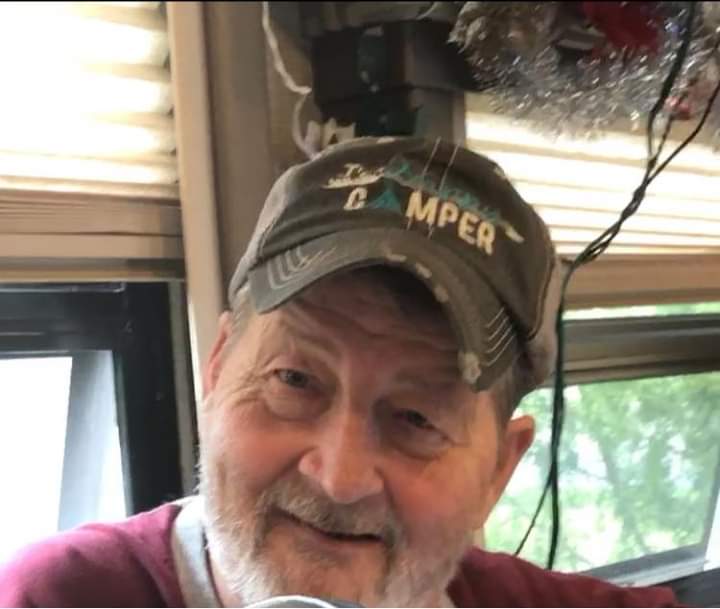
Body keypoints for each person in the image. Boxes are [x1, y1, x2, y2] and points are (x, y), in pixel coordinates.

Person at [0, 138, 679, 607]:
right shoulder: (65, 596)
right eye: (294, 380)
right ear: (218, 365)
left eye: (416, 418)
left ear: (498, 470)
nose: (339, 475)